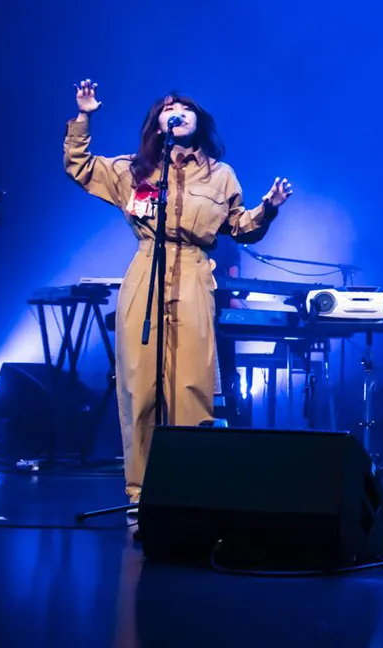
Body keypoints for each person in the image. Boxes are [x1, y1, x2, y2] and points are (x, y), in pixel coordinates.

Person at [64, 80, 293, 505]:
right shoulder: (135, 171)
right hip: (146, 270)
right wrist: (84, 116)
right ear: (157, 123)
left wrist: (269, 208)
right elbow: (80, 166)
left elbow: (241, 228)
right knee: (139, 388)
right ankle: (139, 495)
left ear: (198, 120)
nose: (178, 112)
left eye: (186, 108)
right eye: (169, 109)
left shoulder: (220, 175)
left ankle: (191, 493)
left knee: (190, 388)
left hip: (192, 272)